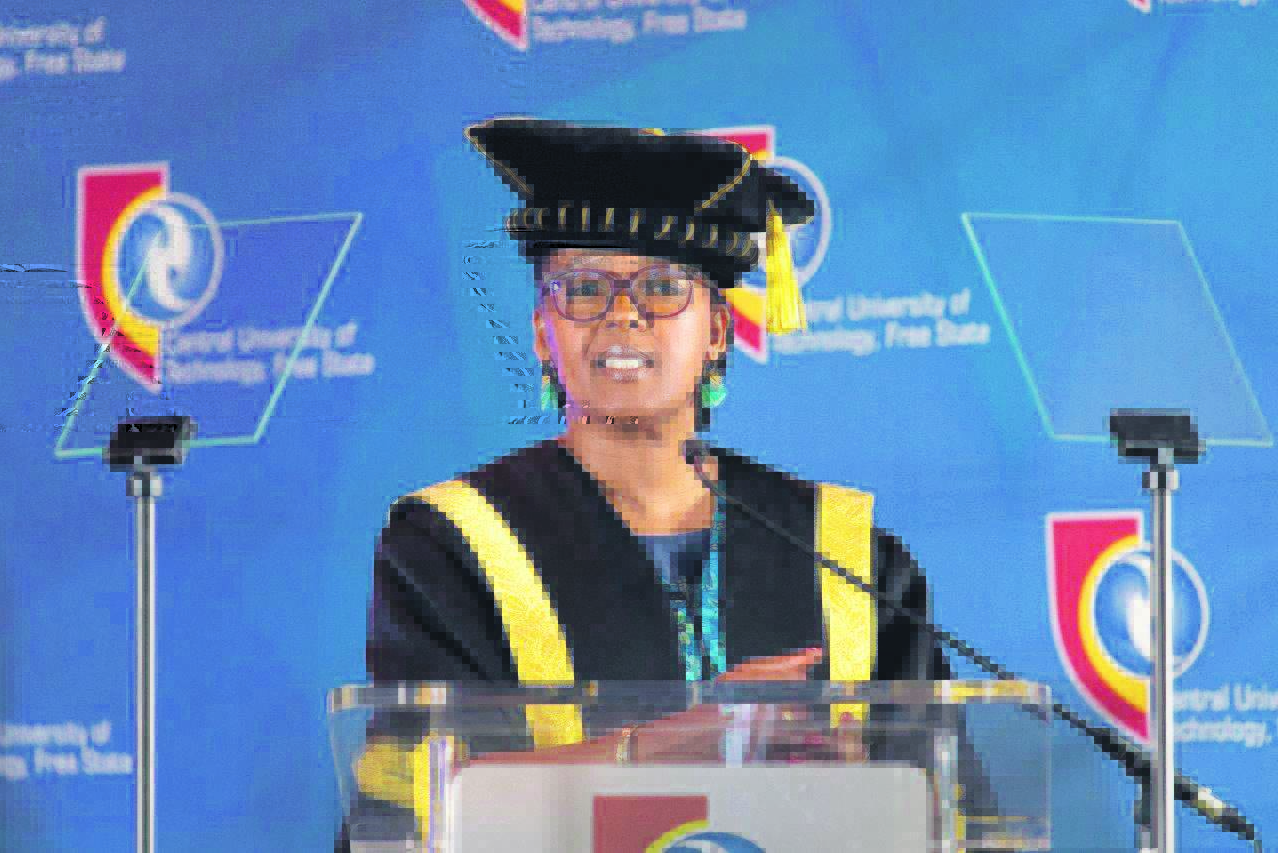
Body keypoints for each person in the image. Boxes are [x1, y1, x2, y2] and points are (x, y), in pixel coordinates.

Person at [335, 118, 992, 851]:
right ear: (542, 332)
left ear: (717, 331)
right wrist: (676, 744)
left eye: (662, 287)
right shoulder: (450, 546)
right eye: (584, 289)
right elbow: (417, 814)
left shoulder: (846, 554)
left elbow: (951, 813)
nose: (623, 315)